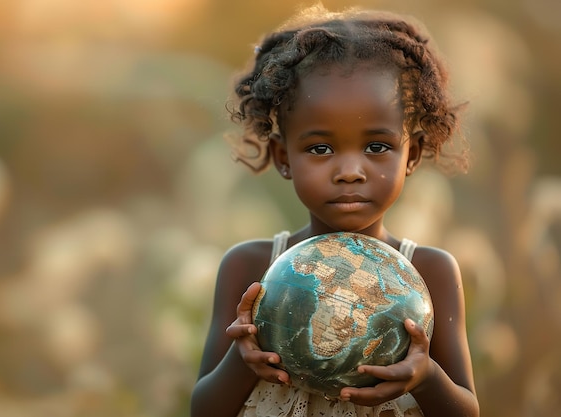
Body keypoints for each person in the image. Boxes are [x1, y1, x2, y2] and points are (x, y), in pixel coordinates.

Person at [191, 5, 478, 417]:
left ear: (410, 154)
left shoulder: (431, 272)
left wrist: (427, 377)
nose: (349, 172)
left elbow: (467, 411)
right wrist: (243, 360)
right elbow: (203, 410)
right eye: (320, 148)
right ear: (282, 156)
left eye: (376, 147)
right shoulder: (251, 268)